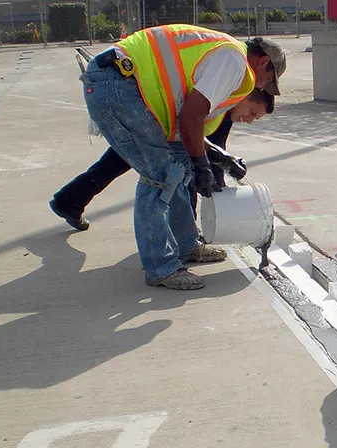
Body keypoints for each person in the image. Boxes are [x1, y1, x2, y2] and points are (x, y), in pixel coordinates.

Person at [78, 24, 286, 291]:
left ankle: (186, 245)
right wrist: (202, 165)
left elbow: (186, 120)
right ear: (263, 62)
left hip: (122, 84)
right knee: (160, 176)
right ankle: (160, 267)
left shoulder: (227, 56)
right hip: (119, 84)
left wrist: (215, 157)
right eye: (268, 80)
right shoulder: (235, 61)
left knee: (178, 165)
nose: (262, 87)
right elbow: (192, 115)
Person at [49, 88, 275, 231]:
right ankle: (180, 237)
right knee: (182, 169)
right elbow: (200, 148)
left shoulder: (229, 103)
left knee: (115, 162)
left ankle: (69, 201)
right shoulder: (223, 95)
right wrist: (219, 172)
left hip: (154, 115)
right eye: (253, 112)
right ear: (246, 94)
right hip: (150, 111)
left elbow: (215, 146)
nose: (250, 120)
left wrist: (222, 168)